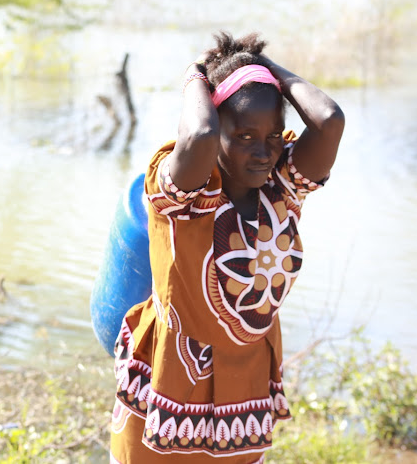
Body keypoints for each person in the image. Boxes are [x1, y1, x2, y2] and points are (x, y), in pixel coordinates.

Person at [109, 32, 345, 464]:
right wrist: (195, 76)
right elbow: (198, 133)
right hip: (170, 386)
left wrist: (266, 69)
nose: (263, 152)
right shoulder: (182, 193)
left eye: (273, 136)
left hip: (244, 394)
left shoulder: (282, 185)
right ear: (218, 129)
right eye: (244, 136)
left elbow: (329, 120)